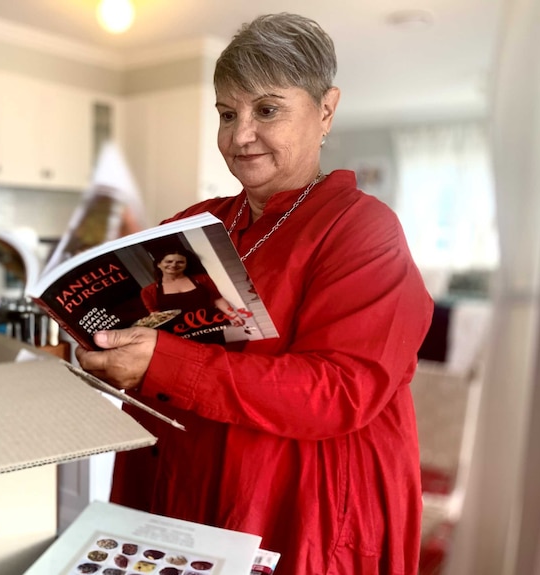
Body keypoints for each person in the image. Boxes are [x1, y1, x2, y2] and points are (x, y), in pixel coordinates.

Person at [76, 12, 433, 574]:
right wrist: (100, 339)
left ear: (326, 110)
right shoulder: (199, 223)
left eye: (267, 109)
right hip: (187, 485)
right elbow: (147, 322)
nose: (240, 135)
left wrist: (162, 361)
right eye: (226, 113)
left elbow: (339, 391)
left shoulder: (362, 229)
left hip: (301, 502)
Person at [139, 247, 245, 344]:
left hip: (209, 327)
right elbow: (156, 314)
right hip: (180, 333)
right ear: (159, 264)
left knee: (218, 354)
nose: (174, 265)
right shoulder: (148, 291)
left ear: (186, 265)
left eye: (180, 262)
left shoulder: (202, 279)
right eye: (169, 261)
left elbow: (217, 299)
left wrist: (233, 315)